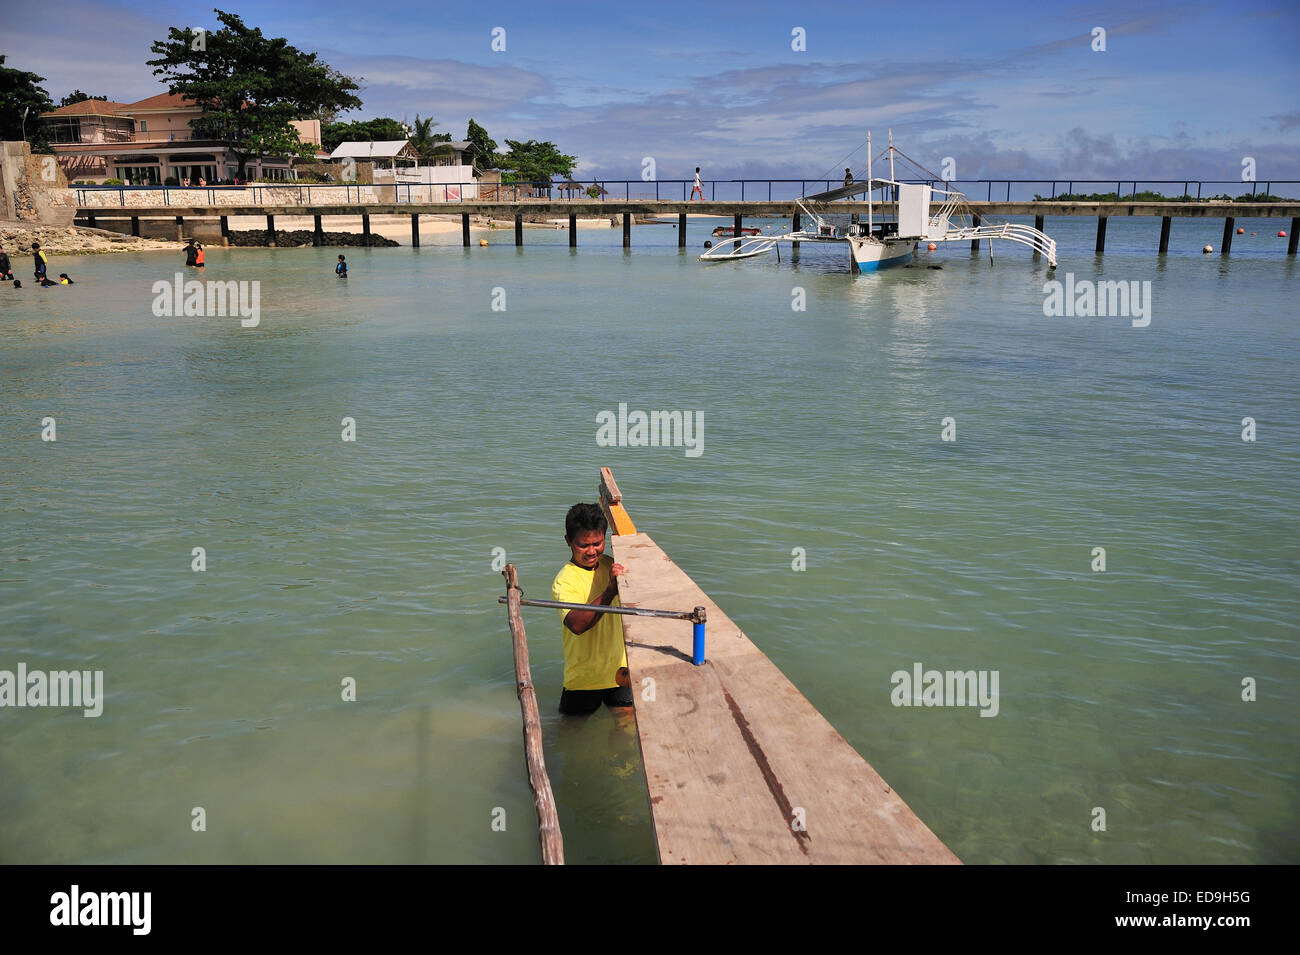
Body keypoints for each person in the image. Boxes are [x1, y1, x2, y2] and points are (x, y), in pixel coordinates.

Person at [551, 503, 632, 715]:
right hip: (583, 680)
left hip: (620, 672)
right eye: (583, 545)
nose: (591, 551)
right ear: (568, 541)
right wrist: (609, 592)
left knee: (627, 735)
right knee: (572, 736)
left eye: (597, 543)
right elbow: (577, 625)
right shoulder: (564, 581)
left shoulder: (611, 565)